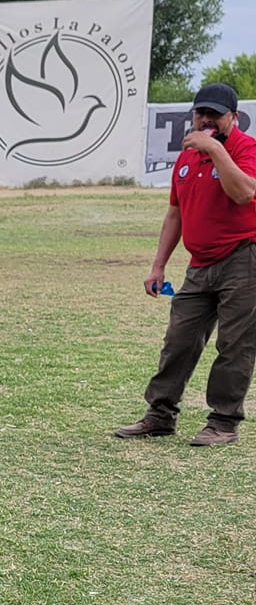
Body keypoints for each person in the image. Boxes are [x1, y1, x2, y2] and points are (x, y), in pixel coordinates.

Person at [115, 82, 256, 448]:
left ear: (233, 118)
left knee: (235, 344)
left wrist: (214, 148)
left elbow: (243, 192)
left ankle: (223, 421)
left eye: (215, 115)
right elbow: (175, 214)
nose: (206, 120)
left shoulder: (246, 148)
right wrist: (158, 265)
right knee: (178, 339)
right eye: (200, 113)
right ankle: (160, 415)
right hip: (200, 262)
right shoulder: (186, 158)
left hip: (244, 256)